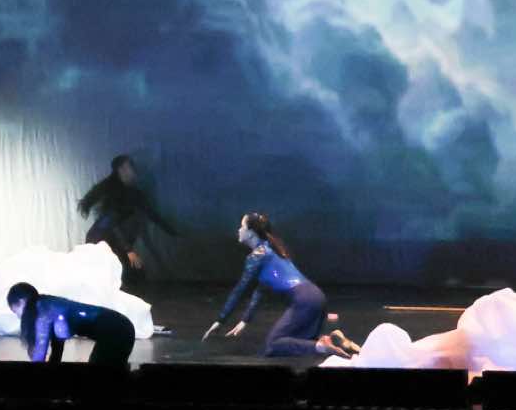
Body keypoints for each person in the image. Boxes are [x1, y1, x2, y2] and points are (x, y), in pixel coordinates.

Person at [203, 213, 355, 359]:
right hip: (316, 296)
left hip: (304, 300)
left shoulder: (256, 256)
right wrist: (245, 320)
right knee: (300, 340)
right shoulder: (273, 249)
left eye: (242, 226)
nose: (239, 230)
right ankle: (334, 340)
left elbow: (239, 291)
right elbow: (260, 291)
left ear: (251, 233)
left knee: (272, 345)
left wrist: (220, 320)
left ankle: (322, 346)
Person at [78, 154, 174, 293]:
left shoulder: (135, 194)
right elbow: (111, 224)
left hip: (116, 241)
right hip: (101, 240)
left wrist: (172, 232)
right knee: (122, 276)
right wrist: (128, 250)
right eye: (129, 167)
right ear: (121, 170)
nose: (133, 171)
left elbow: (151, 213)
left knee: (134, 275)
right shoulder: (114, 193)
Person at [6, 281, 136, 367]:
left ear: (21, 301)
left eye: (16, 311)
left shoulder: (42, 310)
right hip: (121, 326)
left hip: (116, 330)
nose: (19, 317)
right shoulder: (49, 304)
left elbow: (39, 355)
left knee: (99, 379)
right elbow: (57, 349)